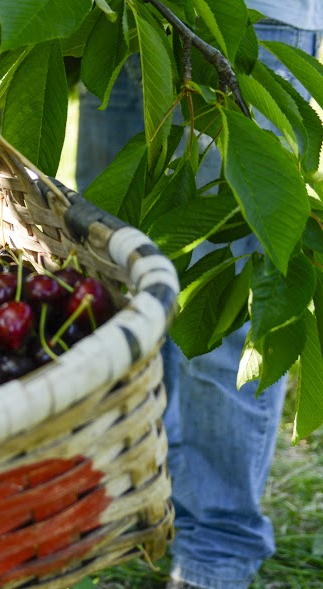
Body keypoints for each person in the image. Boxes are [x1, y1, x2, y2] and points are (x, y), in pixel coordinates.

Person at [75, 4, 323, 589]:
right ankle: (143, 500)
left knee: (221, 318)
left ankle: (217, 548)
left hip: (251, 18)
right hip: (127, 19)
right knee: (114, 274)